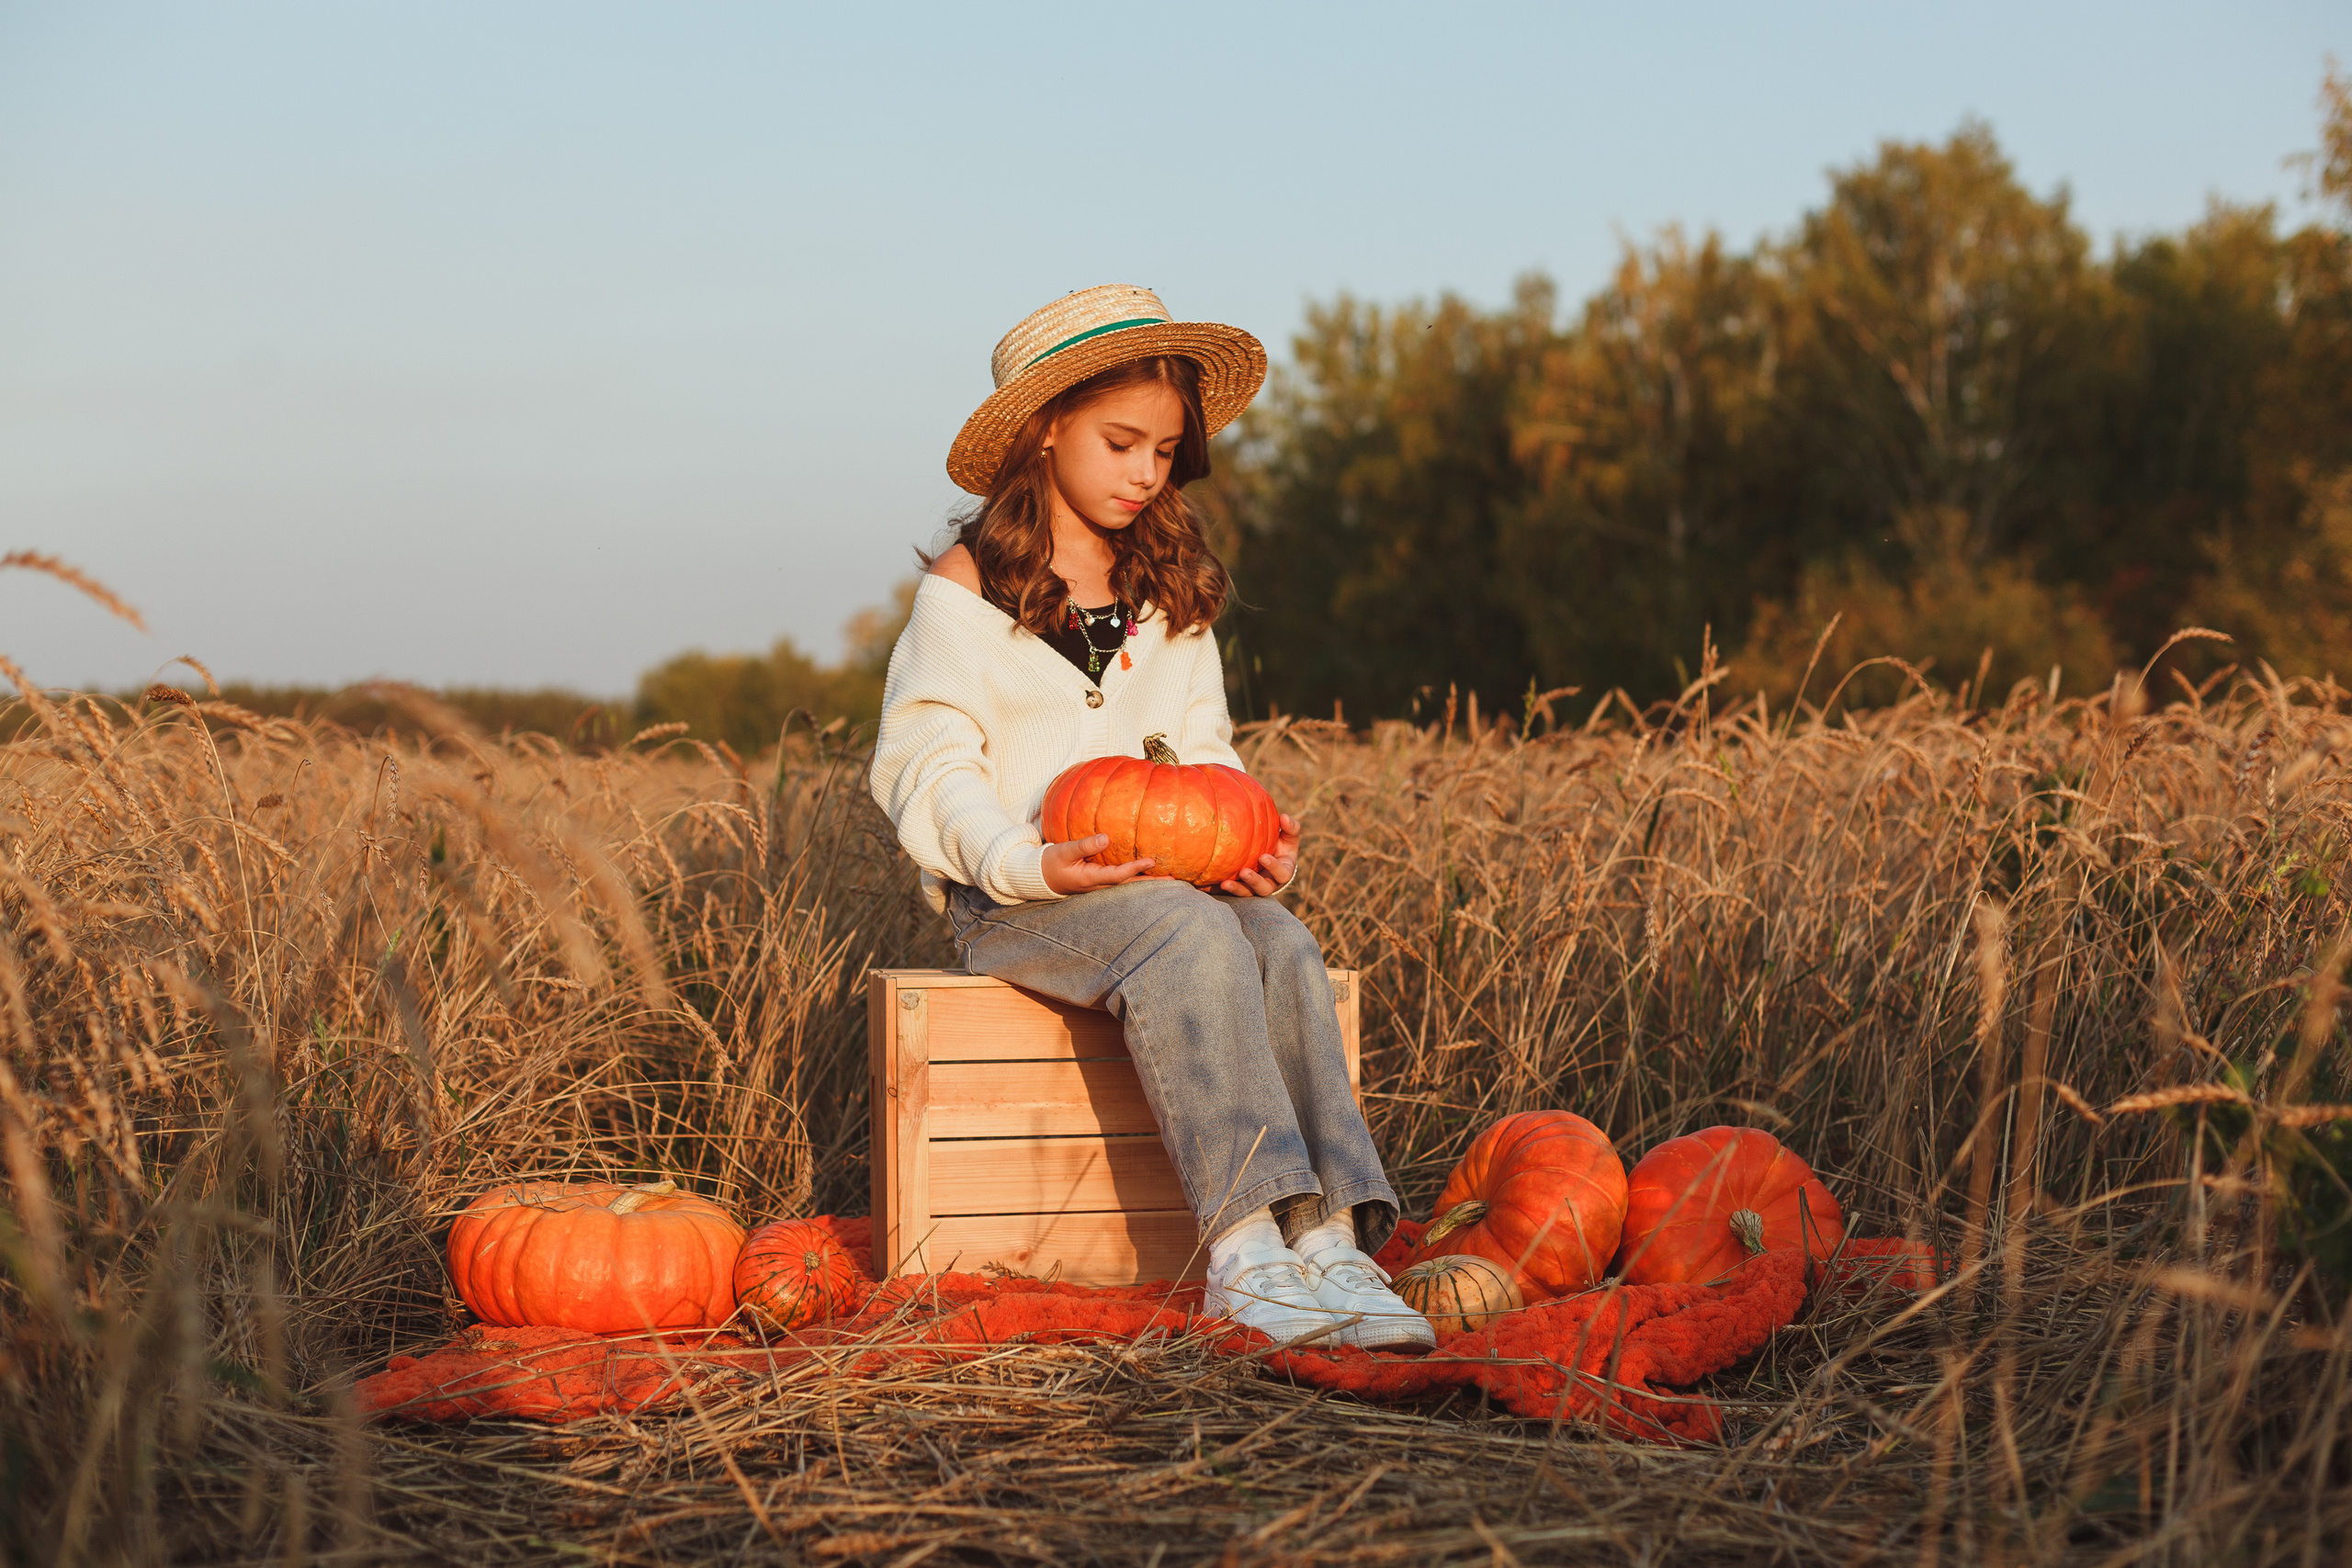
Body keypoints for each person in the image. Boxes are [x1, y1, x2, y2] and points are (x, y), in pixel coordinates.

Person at [868, 286, 1434, 1351]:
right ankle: (1245, 1254)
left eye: (1166, 453)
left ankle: (1329, 1245)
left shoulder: (1166, 587)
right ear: (1045, 429)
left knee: (1278, 938)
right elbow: (929, 767)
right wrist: (1024, 860)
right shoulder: (968, 588)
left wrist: (1247, 845)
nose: (1145, 473)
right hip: (1017, 903)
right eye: (1120, 443)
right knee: (1184, 932)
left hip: (1169, 894)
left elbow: (1204, 753)